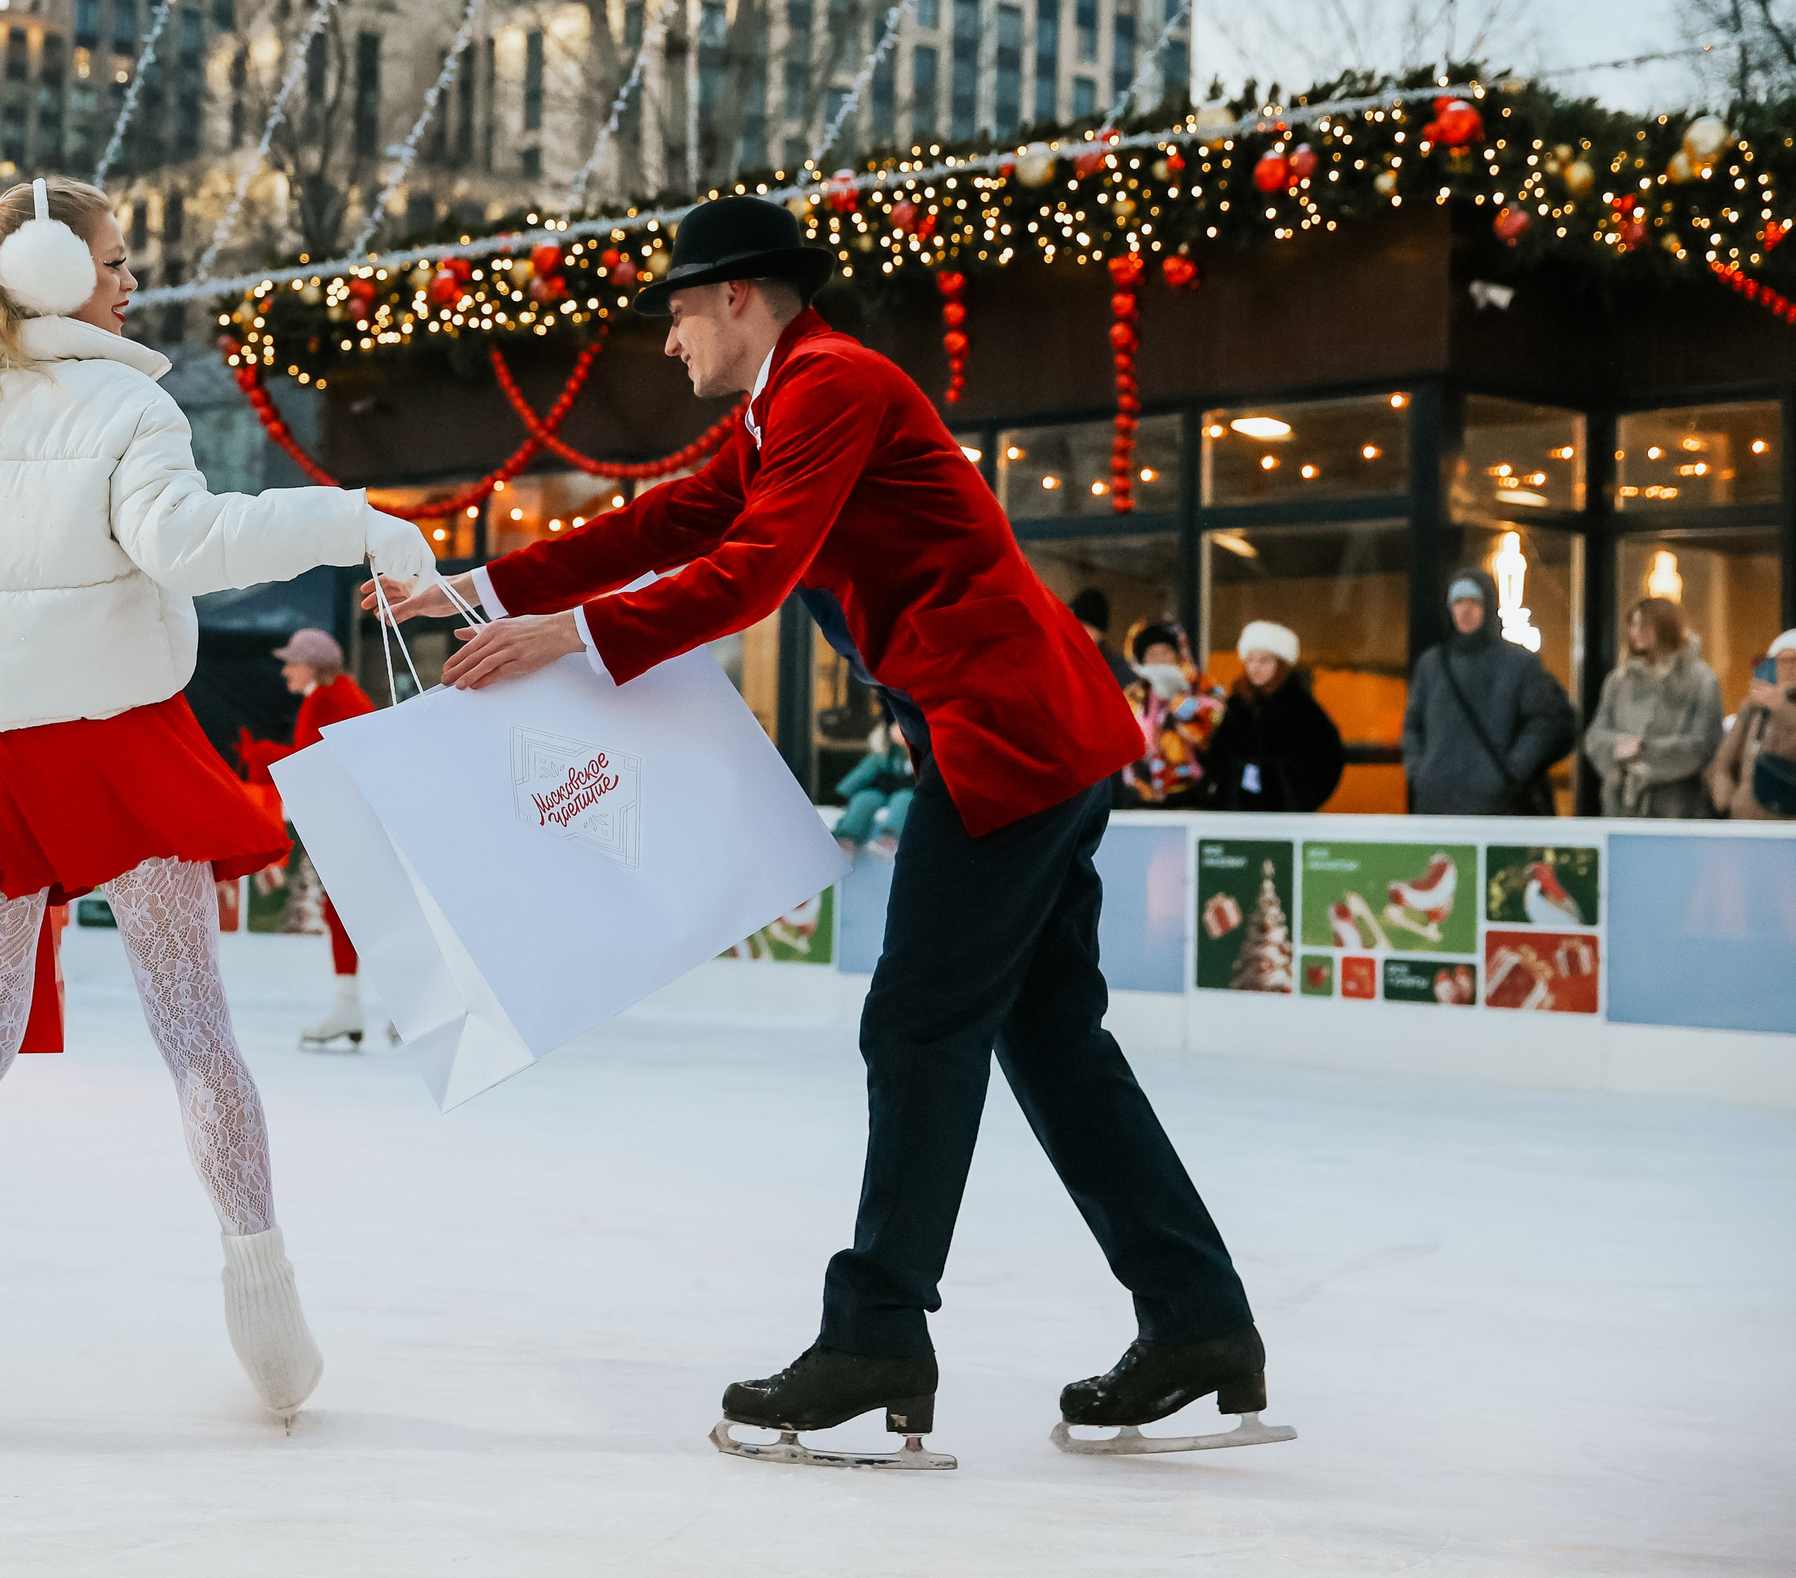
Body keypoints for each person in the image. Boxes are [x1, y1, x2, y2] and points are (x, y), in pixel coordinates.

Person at [368, 195, 1270, 1462]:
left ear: (741, 297)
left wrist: (560, 635)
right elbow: (670, 525)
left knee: (918, 1021)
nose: (669, 345)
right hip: (1024, 734)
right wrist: (468, 588)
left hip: (1006, 736)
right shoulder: (784, 402)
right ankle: (1197, 1321)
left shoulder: (830, 385)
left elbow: (751, 573)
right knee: (1051, 1039)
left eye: (678, 314)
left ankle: (880, 1332)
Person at [0, 177, 437, 1424]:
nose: (132, 284)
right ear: (60, 276)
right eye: (117, 261)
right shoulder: (124, 402)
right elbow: (187, 546)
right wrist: (355, 523)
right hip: (115, 742)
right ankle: (268, 1317)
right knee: (193, 1030)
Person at [244, 627, 392, 1049]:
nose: (286, 671)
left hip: (351, 824)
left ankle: (385, 1005)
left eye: (291, 662)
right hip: (358, 821)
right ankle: (357, 1005)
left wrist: (264, 756)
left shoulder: (325, 699)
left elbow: (309, 766)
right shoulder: (342, 694)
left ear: (311, 665)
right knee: (348, 913)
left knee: (354, 915)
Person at [1402, 570, 1577, 815]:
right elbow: (1413, 724)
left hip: (1499, 808)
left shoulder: (1519, 663)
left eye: (1474, 602)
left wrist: (1513, 770)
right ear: (1449, 608)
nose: (1465, 610)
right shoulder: (1431, 664)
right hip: (1438, 804)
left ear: (1489, 606)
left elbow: (1550, 720)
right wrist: (1420, 773)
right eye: (1458, 601)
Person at [1583, 597, 1724, 818]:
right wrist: (1617, 746)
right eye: (1633, 624)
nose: (1635, 632)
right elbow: (1595, 736)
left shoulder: (1701, 680)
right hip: (1622, 806)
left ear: (1664, 626)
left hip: (1679, 806)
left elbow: (1705, 742)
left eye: (1643, 625)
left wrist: (1645, 751)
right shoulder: (1620, 679)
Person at [1198, 622, 1347, 813]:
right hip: (1237, 813)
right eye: (1250, 660)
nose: (1255, 667)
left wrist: (1299, 795)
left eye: (1264, 661)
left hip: (1287, 815)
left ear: (1280, 664)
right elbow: (1218, 757)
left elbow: (1328, 759)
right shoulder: (1236, 706)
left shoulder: (1303, 710)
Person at [1122, 620, 1224, 809]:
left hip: (1190, 792)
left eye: (1165, 652)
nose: (1160, 659)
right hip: (1141, 793)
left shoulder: (1199, 686)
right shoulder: (1132, 695)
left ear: (1176, 655)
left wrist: (1175, 699)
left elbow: (1208, 728)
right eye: (1153, 654)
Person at [1708, 628, 1796, 820]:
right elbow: (1723, 762)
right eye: (1781, 661)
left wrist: (1782, 707)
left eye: (1794, 661)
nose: (1788, 668)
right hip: (1748, 821)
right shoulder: (1753, 709)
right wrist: (1728, 798)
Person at [831, 719, 916, 853]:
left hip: (909, 791)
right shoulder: (881, 756)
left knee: (902, 800)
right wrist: (843, 792)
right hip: (880, 790)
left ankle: (890, 839)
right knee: (864, 799)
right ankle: (847, 838)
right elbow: (862, 773)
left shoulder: (919, 757)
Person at [1069, 588, 1140, 689]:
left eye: (1086, 627)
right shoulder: (1060, 659)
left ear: (1098, 631)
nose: (1079, 634)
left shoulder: (1118, 668)